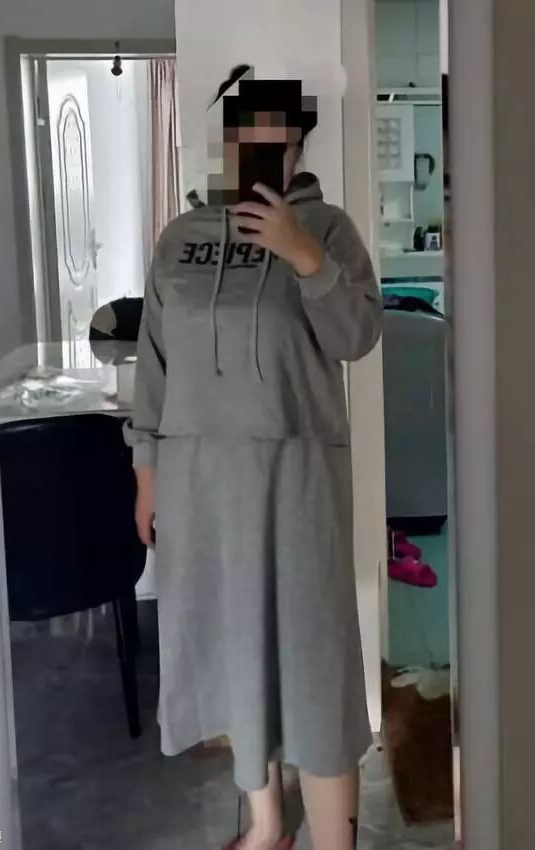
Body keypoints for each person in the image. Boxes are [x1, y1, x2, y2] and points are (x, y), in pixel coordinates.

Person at [124, 66, 383, 850]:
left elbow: (357, 337)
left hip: (294, 481)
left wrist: (305, 257)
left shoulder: (327, 228)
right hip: (200, 484)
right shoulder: (180, 239)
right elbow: (155, 364)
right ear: (228, 144)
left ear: (299, 147)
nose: (263, 153)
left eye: (280, 141)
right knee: (233, 653)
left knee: (312, 663)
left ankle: (333, 841)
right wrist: (147, 473)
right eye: (248, 140)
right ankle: (267, 825)